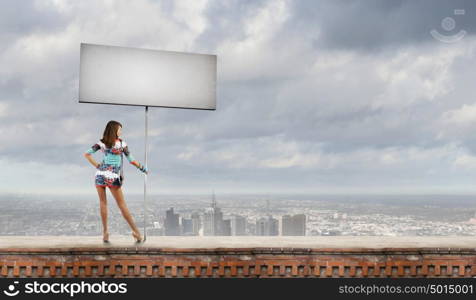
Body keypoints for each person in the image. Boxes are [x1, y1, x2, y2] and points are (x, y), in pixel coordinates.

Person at [83, 120, 148, 243]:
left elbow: (87, 154)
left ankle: (105, 232)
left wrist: (97, 165)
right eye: (120, 129)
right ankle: (137, 233)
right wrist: (143, 168)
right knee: (122, 205)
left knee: (103, 203)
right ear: (115, 130)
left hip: (100, 175)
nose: (121, 132)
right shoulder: (122, 144)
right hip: (113, 176)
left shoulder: (101, 143)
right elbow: (131, 160)